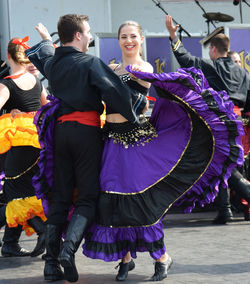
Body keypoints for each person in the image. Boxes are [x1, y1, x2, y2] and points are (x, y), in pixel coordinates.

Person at [81, 20, 244, 283]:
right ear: (119, 40)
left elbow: (131, 91)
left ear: (141, 39)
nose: (128, 40)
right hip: (111, 143)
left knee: (139, 202)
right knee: (111, 200)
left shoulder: (142, 69)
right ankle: (125, 259)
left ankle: (161, 257)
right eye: (123, 36)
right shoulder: (111, 68)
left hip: (134, 144)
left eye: (133, 36)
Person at [25, 14, 138, 283]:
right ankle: (68, 250)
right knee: (87, 197)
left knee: (61, 197)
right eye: (87, 32)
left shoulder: (54, 65)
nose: (89, 36)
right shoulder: (90, 62)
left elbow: (46, 56)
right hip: (86, 133)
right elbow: (115, 93)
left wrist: (45, 41)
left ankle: (51, 265)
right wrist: (133, 114)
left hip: (60, 135)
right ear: (77, 35)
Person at [165, 14, 250, 224]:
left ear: (213, 50)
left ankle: (235, 202)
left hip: (220, 121)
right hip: (239, 123)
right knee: (224, 165)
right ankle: (225, 210)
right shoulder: (243, 73)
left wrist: (173, 37)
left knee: (222, 166)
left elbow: (185, 59)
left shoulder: (213, 66)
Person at [0, 37, 48, 257]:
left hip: (19, 146)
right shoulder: (35, 81)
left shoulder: (7, 83)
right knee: (26, 191)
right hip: (37, 144)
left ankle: (42, 229)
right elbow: (47, 107)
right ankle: (10, 243)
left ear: (9, 56)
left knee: (12, 193)